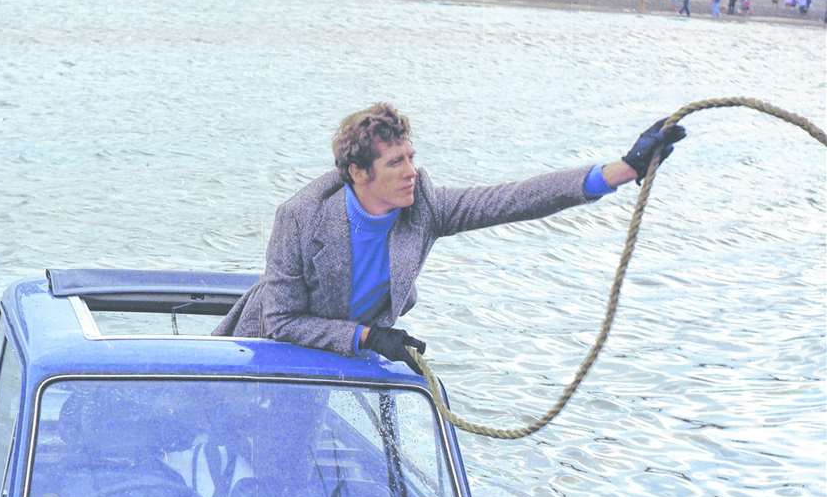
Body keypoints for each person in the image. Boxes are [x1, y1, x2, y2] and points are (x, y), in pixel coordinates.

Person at [212, 103, 686, 364]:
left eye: (412, 157)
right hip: (262, 358)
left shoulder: (423, 208)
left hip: (342, 362)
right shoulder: (301, 217)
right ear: (358, 172)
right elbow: (282, 324)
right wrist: (367, 337)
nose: (411, 171)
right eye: (396, 162)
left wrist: (622, 170)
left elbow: (512, 199)